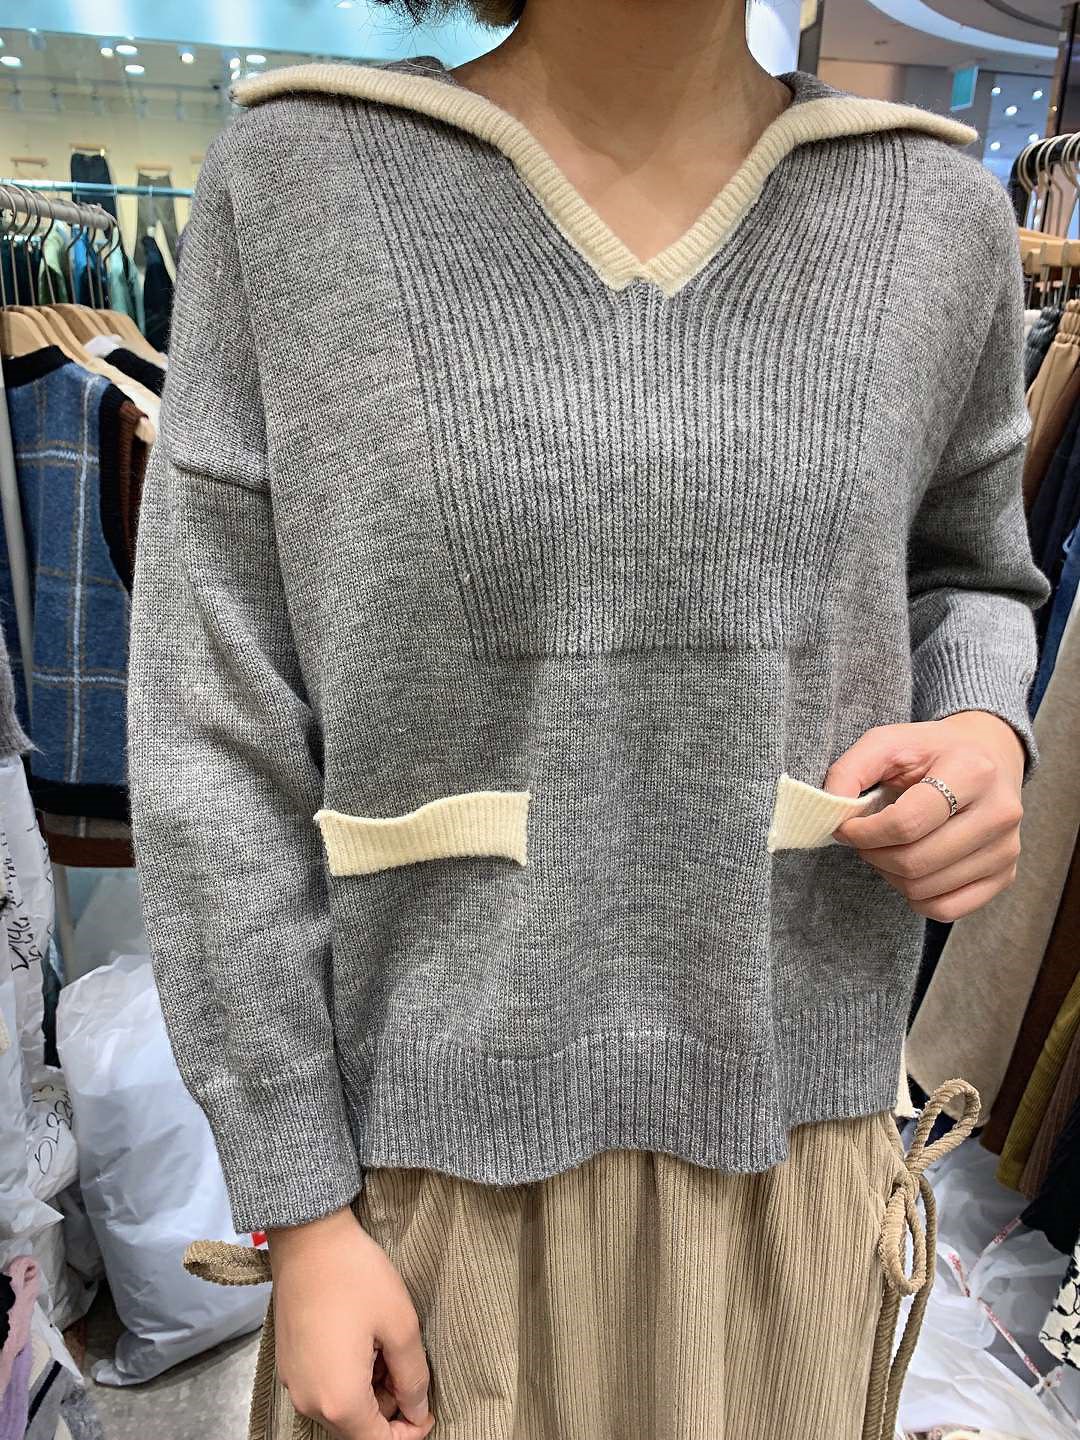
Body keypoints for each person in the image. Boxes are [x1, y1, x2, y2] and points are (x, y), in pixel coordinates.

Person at [126, 0, 1052, 1433]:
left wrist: (984, 723)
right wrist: (296, 1206)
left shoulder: (932, 209)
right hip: (424, 1186)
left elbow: (971, 567)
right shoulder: (305, 179)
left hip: (793, 1153)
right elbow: (213, 722)